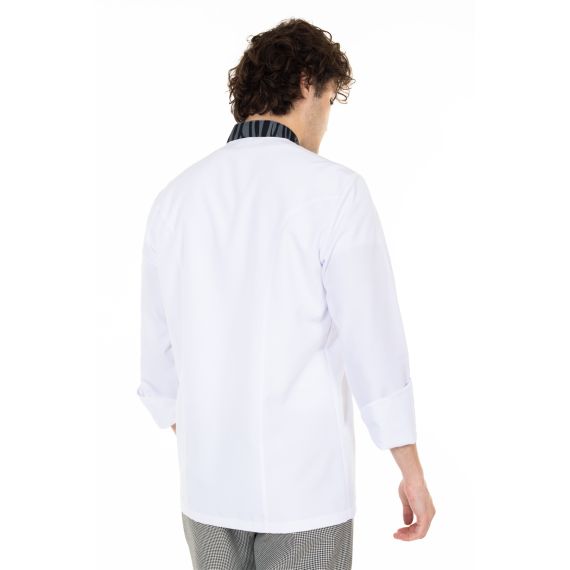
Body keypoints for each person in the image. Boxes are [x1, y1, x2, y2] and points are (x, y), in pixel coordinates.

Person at [136, 17, 435, 570]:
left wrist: (213, 443)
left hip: (206, 492)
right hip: (306, 494)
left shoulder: (174, 199)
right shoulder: (336, 192)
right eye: (329, 100)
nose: (326, 120)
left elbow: (158, 368)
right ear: (306, 83)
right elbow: (373, 344)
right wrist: (409, 468)